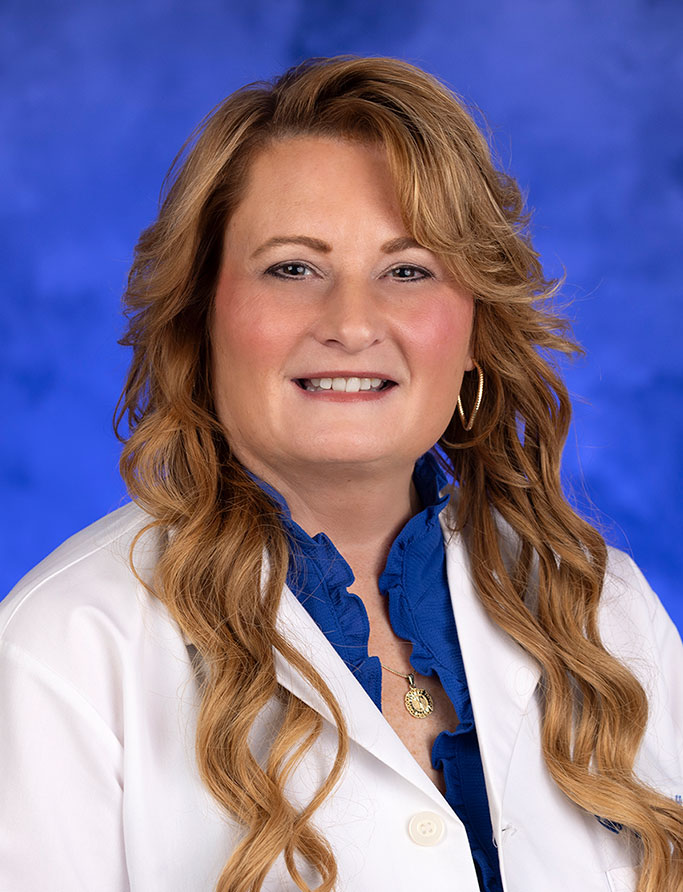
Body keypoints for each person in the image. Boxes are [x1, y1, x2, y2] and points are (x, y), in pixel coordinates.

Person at [1, 56, 681, 892]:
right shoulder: (64, 648)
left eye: (408, 270)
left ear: (474, 329)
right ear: (200, 314)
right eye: (292, 268)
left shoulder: (603, 610)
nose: (352, 325)